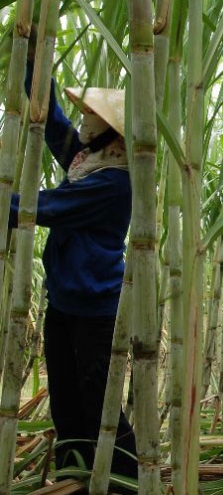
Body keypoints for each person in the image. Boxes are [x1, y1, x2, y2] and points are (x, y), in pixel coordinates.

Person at [9, 63, 138, 489]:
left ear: (110, 133)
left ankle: (127, 481)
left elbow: (43, 208)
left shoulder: (112, 182)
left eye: (91, 116)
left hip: (96, 308)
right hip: (64, 302)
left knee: (98, 402)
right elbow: (54, 125)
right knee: (65, 400)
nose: (83, 121)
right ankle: (73, 478)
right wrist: (33, 65)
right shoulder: (88, 162)